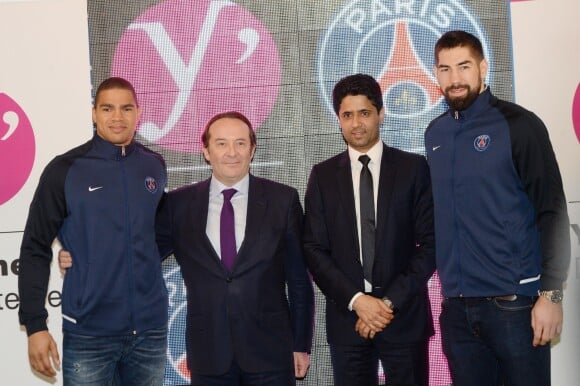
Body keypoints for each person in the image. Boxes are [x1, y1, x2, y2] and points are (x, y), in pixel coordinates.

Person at [425, 30, 570, 386]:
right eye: (445, 69)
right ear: (436, 74)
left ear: (483, 67)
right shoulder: (435, 134)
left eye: (464, 66)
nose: (455, 79)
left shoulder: (519, 125)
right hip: (457, 310)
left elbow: (552, 211)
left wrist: (551, 295)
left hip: (515, 306)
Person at [18, 77, 168, 385]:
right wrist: (35, 325)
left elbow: (157, 234)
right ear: (93, 113)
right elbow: (35, 246)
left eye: (126, 108)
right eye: (107, 108)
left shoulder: (154, 166)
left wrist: (103, 254)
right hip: (89, 335)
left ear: (139, 113)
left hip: (150, 334)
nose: (117, 117)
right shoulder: (65, 169)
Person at [155, 111, 314, 385]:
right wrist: (79, 254)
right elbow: (140, 255)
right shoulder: (178, 205)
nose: (232, 152)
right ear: (206, 151)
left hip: (271, 354)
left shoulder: (282, 200)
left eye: (240, 143)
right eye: (221, 143)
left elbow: (299, 280)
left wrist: (301, 343)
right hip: (209, 355)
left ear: (252, 150)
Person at [303, 73, 436, 386]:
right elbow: (313, 249)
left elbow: (431, 245)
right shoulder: (322, 177)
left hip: (404, 318)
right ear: (338, 119)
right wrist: (358, 301)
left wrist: (386, 304)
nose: (356, 124)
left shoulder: (413, 169)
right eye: (347, 115)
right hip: (348, 320)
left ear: (381, 114)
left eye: (364, 113)